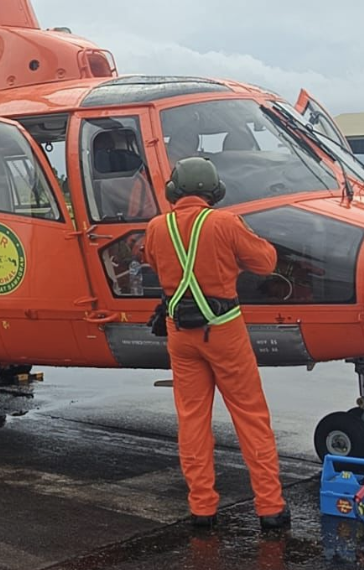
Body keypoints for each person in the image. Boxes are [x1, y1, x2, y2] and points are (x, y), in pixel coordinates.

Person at [142, 157, 289, 530]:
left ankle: (202, 508)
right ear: (214, 191)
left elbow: (150, 260)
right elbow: (265, 261)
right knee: (250, 417)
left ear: (174, 191)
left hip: (180, 335)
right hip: (224, 330)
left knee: (192, 421)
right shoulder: (224, 222)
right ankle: (270, 508)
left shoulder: (158, 227)